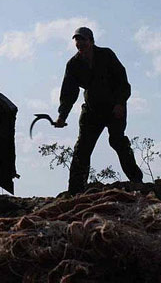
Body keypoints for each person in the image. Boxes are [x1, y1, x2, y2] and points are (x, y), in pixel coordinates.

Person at [54, 27, 143, 194]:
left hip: (114, 108)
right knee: (82, 148)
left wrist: (120, 104)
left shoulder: (106, 55)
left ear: (91, 41)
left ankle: (136, 180)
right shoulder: (73, 64)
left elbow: (123, 83)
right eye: (77, 41)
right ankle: (75, 191)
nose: (80, 44)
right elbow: (68, 92)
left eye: (83, 40)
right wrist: (62, 115)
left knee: (117, 141)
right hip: (92, 110)